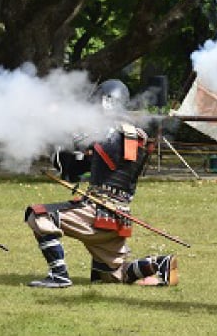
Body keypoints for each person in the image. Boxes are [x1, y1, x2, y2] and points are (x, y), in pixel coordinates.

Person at [24, 79, 178, 288]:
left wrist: (58, 135)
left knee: (38, 215)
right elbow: (83, 168)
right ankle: (159, 264)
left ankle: (58, 275)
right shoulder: (136, 135)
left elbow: (66, 168)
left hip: (96, 212)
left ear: (106, 102)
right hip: (119, 217)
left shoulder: (105, 132)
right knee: (111, 276)